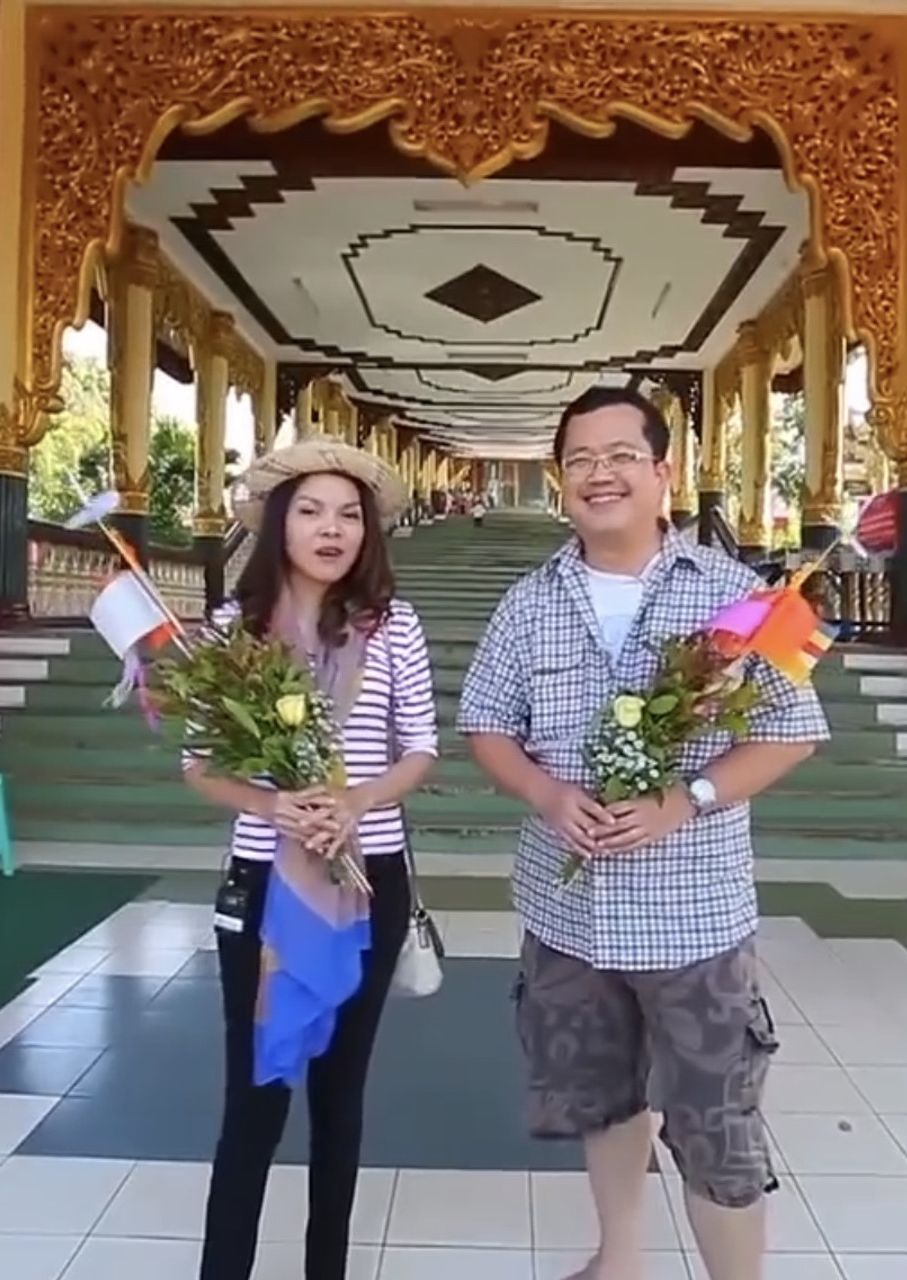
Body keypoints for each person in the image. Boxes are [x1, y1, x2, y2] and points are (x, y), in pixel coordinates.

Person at [457, 386, 830, 1280]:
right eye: (580, 460)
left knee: (716, 1121)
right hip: (567, 914)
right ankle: (618, 1259)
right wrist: (548, 794)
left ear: (664, 472)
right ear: (561, 481)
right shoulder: (528, 602)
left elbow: (793, 731)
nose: (601, 474)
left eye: (621, 455)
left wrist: (684, 799)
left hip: (692, 915)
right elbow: (486, 726)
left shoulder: (743, 597)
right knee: (603, 1099)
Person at [185, 438, 438, 1280]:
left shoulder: (393, 625)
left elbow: (420, 749)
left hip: (370, 882)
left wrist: (355, 802)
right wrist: (275, 805)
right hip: (263, 889)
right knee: (254, 1099)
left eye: (348, 515)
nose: (332, 529)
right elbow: (199, 764)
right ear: (277, 524)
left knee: (339, 1095)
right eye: (311, 511)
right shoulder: (234, 631)